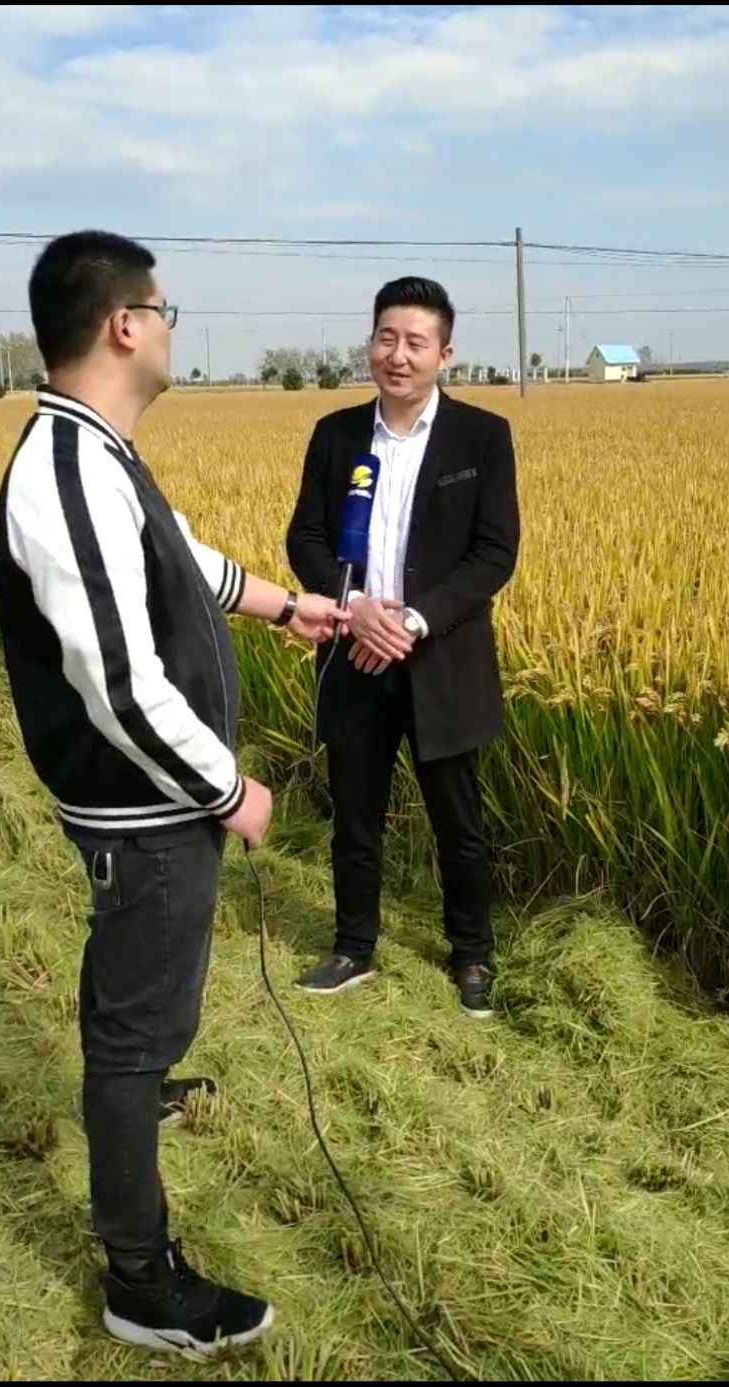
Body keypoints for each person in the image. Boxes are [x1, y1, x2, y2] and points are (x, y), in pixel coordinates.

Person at [0, 230, 347, 1356]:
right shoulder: (63, 472)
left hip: (153, 805)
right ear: (125, 325)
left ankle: (137, 1088)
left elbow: (177, 559)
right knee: (133, 1030)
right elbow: (119, 683)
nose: (172, 328)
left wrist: (284, 606)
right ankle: (141, 1284)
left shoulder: (100, 454)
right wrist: (229, 787)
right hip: (144, 808)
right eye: (166, 309)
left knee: (140, 998)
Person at [286, 277, 520, 1018]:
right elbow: (306, 538)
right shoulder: (336, 434)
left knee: (459, 821)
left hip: (439, 660)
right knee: (354, 815)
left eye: (416, 342)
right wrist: (355, 608)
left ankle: (471, 954)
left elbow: (494, 552)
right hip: (355, 654)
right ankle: (353, 946)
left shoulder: (481, 437)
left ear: (444, 354)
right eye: (387, 337)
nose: (398, 354)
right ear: (370, 344)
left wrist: (413, 621)